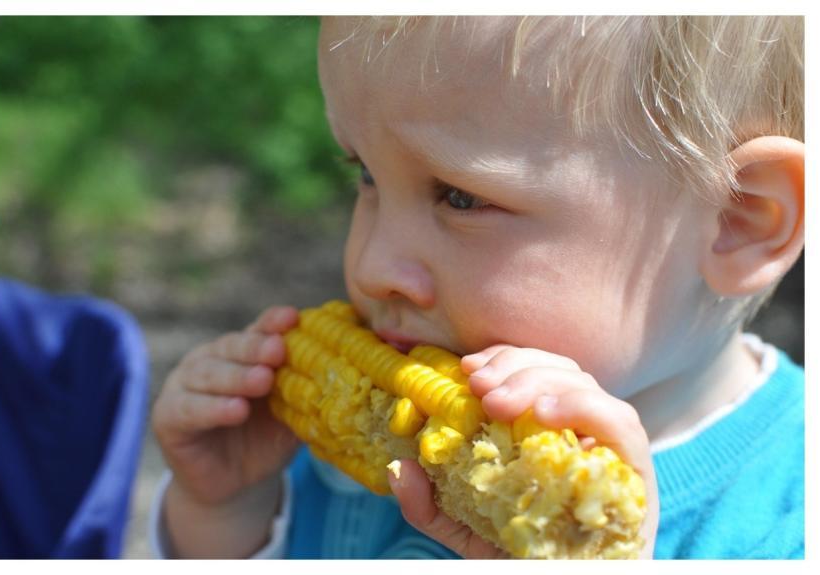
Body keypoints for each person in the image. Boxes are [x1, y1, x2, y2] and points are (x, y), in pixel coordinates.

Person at [148, 16, 804, 559]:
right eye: (366, 175)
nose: (373, 264)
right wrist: (224, 512)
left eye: (461, 196)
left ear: (738, 220)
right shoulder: (324, 463)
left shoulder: (790, 523)